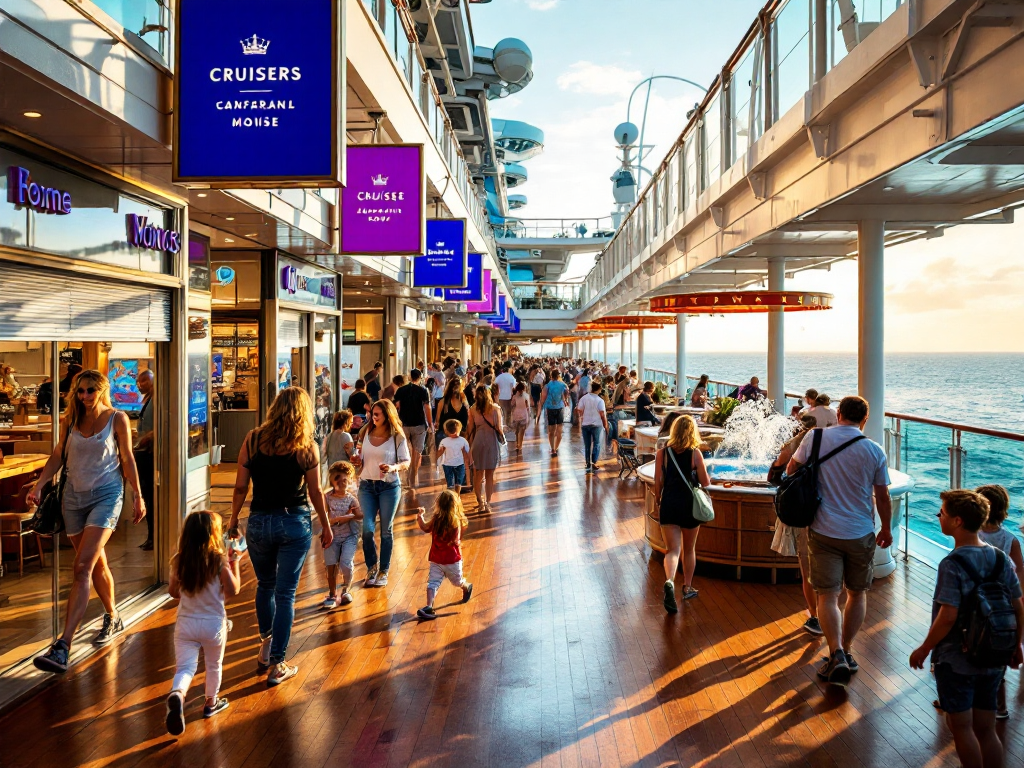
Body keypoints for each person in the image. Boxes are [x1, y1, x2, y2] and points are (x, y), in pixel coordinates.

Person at [30, 369, 147, 674]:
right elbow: (59, 454)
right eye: (80, 391)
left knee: (81, 567)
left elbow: (127, 458)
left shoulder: (116, 418)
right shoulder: (69, 421)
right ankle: (113, 614)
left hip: (106, 497)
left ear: (102, 390)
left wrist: (138, 494)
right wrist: (41, 483)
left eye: (91, 391)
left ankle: (63, 646)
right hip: (72, 499)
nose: (85, 396)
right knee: (95, 564)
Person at [910, 490, 1024, 768]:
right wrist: (1017, 644)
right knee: (986, 729)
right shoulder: (1000, 557)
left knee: (961, 727)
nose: (939, 517)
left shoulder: (952, 563)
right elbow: (1018, 604)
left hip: (957, 657)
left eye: (943, 513)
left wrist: (924, 648)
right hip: (994, 653)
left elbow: (948, 615)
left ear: (957, 521)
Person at [227, 387, 332, 686]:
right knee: (285, 594)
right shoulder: (306, 446)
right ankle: (278, 663)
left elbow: (239, 488)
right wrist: (325, 526)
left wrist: (234, 519)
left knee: (265, 586)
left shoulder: (253, 439)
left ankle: (265, 644)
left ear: (275, 408)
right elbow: (315, 492)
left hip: (259, 521)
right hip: (294, 521)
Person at [787, 395, 892, 686]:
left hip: (823, 530)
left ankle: (835, 654)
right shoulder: (874, 450)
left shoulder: (815, 438)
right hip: (860, 531)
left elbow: (790, 472)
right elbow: (882, 495)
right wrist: (887, 530)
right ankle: (846, 650)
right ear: (865, 419)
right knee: (857, 593)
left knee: (827, 596)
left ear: (839, 413)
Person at [164, 510, 241, 736]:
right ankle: (210, 703)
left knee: (186, 668)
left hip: (185, 623)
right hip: (214, 624)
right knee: (213, 665)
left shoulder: (179, 560)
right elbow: (233, 589)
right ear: (213, 534)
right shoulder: (218, 560)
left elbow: (173, 592)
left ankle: (177, 694)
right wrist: (234, 562)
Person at [769, 414, 823, 635]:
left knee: (807, 568)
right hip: (827, 510)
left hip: (802, 510)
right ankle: (829, 611)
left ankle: (815, 615)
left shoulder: (794, 444)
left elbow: (779, 471)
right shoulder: (827, 441)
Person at [654, 416, 712, 613]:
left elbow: (657, 481)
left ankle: (669, 581)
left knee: (672, 550)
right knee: (689, 549)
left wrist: (658, 500)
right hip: (689, 506)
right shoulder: (695, 454)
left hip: (669, 503)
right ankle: (687, 587)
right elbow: (705, 483)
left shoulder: (662, 453)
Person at [353, 399, 411, 588]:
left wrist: (393, 467)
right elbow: (360, 455)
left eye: (377, 414)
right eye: (372, 414)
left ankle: (384, 570)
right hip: (367, 486)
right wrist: (355, 460)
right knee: (367, 530)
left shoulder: (397, 436)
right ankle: (372, 567)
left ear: (388, 415)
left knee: (386, 530)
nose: (373, 417)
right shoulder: (365, 432)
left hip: (389, 487)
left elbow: (406, 462)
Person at [977, 484, 1024, 719]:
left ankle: (960, 701)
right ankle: (1000, 707)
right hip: (1001, 608)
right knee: (997, 659)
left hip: (975, 605)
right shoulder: (1011, 540)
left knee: (970, 651)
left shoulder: (971, 535)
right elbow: (1020, 579)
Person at [416, 490, 473, 620]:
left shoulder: (450, 521)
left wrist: (420, 517)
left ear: (439, 504)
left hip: (449, 560)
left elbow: (425, 528)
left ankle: (466, 586)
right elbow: (456, 540)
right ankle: (429, 607)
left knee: (457, 582)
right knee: (433, 583)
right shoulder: (449, 520)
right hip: (441, 560)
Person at [321, 461, 363, 609]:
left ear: (349, 480)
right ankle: (332, 594)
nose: (341, 482)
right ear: (332, 480)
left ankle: (346, 589)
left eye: (345, 479)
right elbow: (325, 519)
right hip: (330, 536)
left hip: (348, 536)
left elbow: (359, 515)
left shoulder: (351, 499)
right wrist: (340, 519)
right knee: (330, 566)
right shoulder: (326, 498)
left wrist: (350, 517)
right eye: (337, 479)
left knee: (346, 563)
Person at [394, 368, 433, 489]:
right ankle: (412, 478)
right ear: (420, 377)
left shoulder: (401, 390)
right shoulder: (423, 390)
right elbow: (427, 408)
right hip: (419, 424)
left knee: (406, 450)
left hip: (404, 423)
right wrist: (430, 423)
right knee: (417, 453)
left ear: (410, 377)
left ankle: (406, 474)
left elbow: (396, 406)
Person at [467, 384, 503, 513]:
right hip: (491, 442)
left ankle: (480, 502)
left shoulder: (472, 409)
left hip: (478, 442)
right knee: (489, 475)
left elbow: (470, 430)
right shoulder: (495, 409)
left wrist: (470, 447)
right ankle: (488, 502)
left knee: (478, 474)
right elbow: (499, 428)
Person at [135, 369, 156, 551]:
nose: (140, 386)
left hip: (150, 455)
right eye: (138, 382)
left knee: (150, 496)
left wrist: (147, 437)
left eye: (143, 382)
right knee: (147, 495)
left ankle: (154, 536)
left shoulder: (156, 400)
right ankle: (151, 535)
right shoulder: (148, 400)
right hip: (143, 453)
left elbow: (163, 425)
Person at [576, 380, 609, 474]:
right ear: (598, 389)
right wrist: (605, 425)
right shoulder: (600, 400)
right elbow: (602, 414)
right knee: (597, 444)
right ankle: (593, 462)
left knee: (587, 445)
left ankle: (587, 463)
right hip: (597, 425)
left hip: (585, 424)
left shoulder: (584, 398)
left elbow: (579, 409)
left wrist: (583, 416)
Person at [539, 370, 570, 457]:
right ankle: (556, 448)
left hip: (550, 408)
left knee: (551, 430)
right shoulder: (562, 384)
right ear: (558, 376)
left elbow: (543, 398)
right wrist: (565, 399)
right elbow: (567, 392)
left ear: (550, 376)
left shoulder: (547, 385)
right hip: (560, 408)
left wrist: (541, 407)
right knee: (559, 430)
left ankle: (552, 449)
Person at [434, 378, 469, 452]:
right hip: (461, 437)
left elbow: (437, 421)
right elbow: (469, 419)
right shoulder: (464, 403)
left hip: (445, 437)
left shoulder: (443, 402)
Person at [437, 420, 470, 490]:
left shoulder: (445, 441)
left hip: (452, 464)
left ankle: (454, 495)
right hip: (454, 464)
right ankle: (455, 494)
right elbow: (467, 452)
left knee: (455, 483)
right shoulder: (462, 440)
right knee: (455, 483)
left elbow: (467, 452)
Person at [509, 381, 531, 456]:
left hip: (516, 414)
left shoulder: (515, 396)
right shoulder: (526, 396)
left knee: (517, 431)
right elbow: (528, 406)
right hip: (524, 414)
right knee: (522, 431)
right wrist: (529, 414)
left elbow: (512, 404)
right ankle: (520, 445)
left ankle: (517, 443)